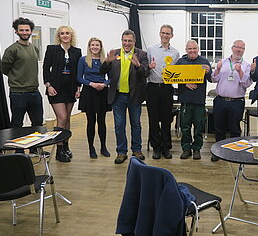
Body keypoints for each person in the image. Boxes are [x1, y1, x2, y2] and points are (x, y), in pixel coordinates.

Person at [100, 30, 150, 164]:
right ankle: (121, 152)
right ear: (121, 41)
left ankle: (136, 150)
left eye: (129, 41)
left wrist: (139, 65)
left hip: (134, 96)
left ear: (134, 42)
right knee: (119, 125)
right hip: (118, 96)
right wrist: (107, 62)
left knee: (136, 125)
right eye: (124, 40)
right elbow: (102, 72)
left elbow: (146, 73)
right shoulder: (114, 54)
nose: (127, 43)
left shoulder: (142, 54)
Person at [43, 26, 82, 162]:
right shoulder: (52, 49)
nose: (65, 35)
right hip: (55, 88)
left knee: (67, 119)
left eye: (67, 33)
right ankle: (59, 150)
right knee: (62, 117)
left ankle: (66, 146)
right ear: (58, 36)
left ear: (71, 35)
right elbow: (46, 68)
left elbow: (78, 70)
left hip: (70, 88)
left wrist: (78, 88)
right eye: (62, 33)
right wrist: (48, 85)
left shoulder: (77, 51)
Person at [211, 40, 253, 162]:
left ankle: (234, 153)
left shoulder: (246, 66)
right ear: (232, 48)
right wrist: (217, 69)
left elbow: (246, 84)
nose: (238, 50)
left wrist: (240, 71)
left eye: (241, 48)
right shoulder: (222, 62)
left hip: (236, 102)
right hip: (220, 100)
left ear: (244, 50)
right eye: (237, 47)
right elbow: (214, 79)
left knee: (234, 128)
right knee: (219, 128)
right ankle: (218, 152)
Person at [1, 17, 43, 129]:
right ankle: (18, 147)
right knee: (17, 124)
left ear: (31, 31)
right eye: (21, 30)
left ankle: (36, 147)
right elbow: (4, 68)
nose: (24, 32)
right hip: (18, 94)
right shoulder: (12, 50)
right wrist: (17, 78)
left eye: (27, 30)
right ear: (16, 31)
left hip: (35, 92)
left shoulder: (34, 48)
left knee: (38, 122)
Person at [146, 24, 180, 160]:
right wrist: (149, 66)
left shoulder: (175, 53)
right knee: (153, 120)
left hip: (167, 88)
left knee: (166, 120)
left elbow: (178, 72)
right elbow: (144, 70)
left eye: (168, 33)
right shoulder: (150, 50)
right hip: (153, 87)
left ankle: (166, 148)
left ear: (172, 36)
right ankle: (156, 148)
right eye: (163, 33)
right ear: (160, 34)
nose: (165, 35)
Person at [176, 40, 212, 160]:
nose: (192, 51)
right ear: (186, 50)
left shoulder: (204, 62)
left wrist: (208, 72)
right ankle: (186, 149)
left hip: (199, 100)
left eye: (194, 48)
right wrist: (185, 83)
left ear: (198, 49)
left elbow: (211, 78)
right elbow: (172, 77)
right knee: (185, 126)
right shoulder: (181, 62)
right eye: (189, 49)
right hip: (185, 100)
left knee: (199, 126)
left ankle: (197, 149)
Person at [77, 37, 112, 159]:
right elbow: (79, 78)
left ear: (100, 47)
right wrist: (91, 84)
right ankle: (91, 148)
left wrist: (105, 84)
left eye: (97, 45)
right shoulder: (83, 60)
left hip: (102, 92)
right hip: (89, 92)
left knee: (102, 121)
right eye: (92, 45)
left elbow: (111, 77)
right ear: (89, 46)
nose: (95, 47)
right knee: (90, 121)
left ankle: (103, 147)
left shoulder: (105, 61)